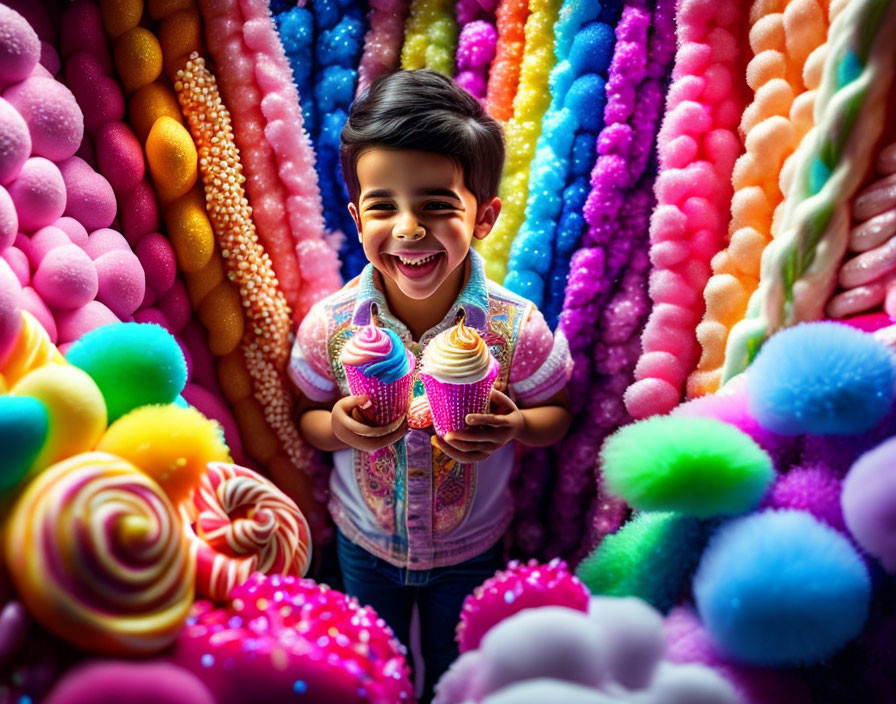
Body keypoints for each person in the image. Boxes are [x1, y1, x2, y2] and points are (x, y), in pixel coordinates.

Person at [289, 69, 573, 702]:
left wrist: (517, 425)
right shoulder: (332, 327)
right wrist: (339, 425)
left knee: (455, 670)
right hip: (365, 544)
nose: (409, 228)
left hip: (472, 548)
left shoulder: (513, 327)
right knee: (373, 667)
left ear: (484, 217)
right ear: (358, 218)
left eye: (437, 205)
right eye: (384, 205)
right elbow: (305, 414)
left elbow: (556, 412)